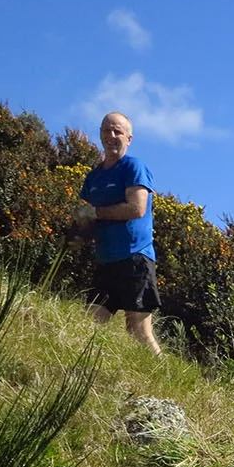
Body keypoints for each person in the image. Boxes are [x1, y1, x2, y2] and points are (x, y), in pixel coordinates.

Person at [77, 111, 161, 354]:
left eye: (118, 131)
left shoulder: (134, 167)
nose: (111, 136)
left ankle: (162, 379)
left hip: (135, 258)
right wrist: (78, 233)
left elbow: (137, 208)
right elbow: (86, 214)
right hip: (106, 262)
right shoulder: (93, 177)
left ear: (129, 138)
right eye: (106, 130)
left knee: (138, 330)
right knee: (91, 323)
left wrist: (95, 214)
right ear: (100, 134)